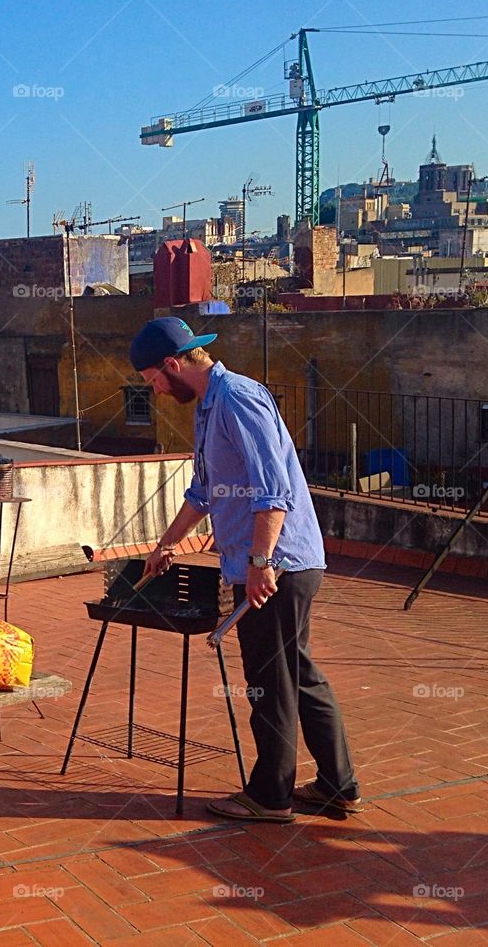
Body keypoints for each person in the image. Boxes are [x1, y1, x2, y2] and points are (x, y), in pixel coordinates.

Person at [130, 317, 360, 823]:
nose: (156, 391)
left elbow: (272, 489)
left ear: (173, 365)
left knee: (268, 683)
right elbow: (204, 491)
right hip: (268, 564)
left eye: (153, 380)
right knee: (296, 675)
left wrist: (260, 562)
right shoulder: (209, 407)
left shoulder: (237, 398)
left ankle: (270, 797)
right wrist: (167, 544)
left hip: (277, 566)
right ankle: (337, 784)